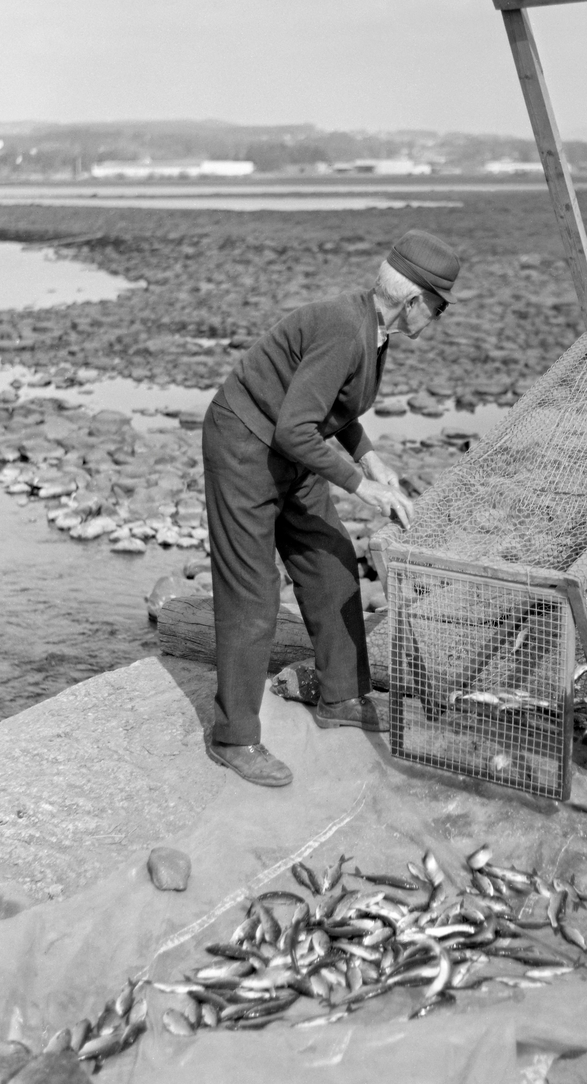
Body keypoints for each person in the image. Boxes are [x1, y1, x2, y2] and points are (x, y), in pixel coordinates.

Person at [201, 229, 460, 787]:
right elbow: (296, 426)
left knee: (331, 561)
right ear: (413, 301)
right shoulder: (346, 330)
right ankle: (234, 736)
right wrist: (359, 486)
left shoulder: (373, 330)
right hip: (245, 443)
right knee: (252, 591)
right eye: (437, 309)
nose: (436, 321)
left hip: (293, 445)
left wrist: (369, 458)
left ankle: (341, 696)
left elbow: (332, 407)